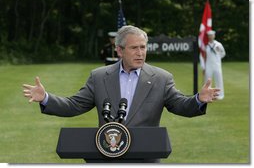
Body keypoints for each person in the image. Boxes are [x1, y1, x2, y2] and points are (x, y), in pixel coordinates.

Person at [23, 25, 220, 163]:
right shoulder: (99, 77)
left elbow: (179, 105)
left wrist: (197, 100)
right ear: (119, 50)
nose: (140, 53)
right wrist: (46, 98)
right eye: (134, 48)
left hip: (146, 157)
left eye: (143, 47)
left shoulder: (161, 78)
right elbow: (74, 105)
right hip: (105, 156)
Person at [205, 30, 226, 100]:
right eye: (209, 35)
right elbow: (203, 56)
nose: (210, 37)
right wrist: (203, 66)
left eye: (212, 35)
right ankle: (208, 95)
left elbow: (223, 53)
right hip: (208, 65)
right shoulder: (206, 46)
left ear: (214, 36)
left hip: (217, 65)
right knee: (208, 81)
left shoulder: (218, 44)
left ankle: (219, 95)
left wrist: (218, 58)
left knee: (219, 80)